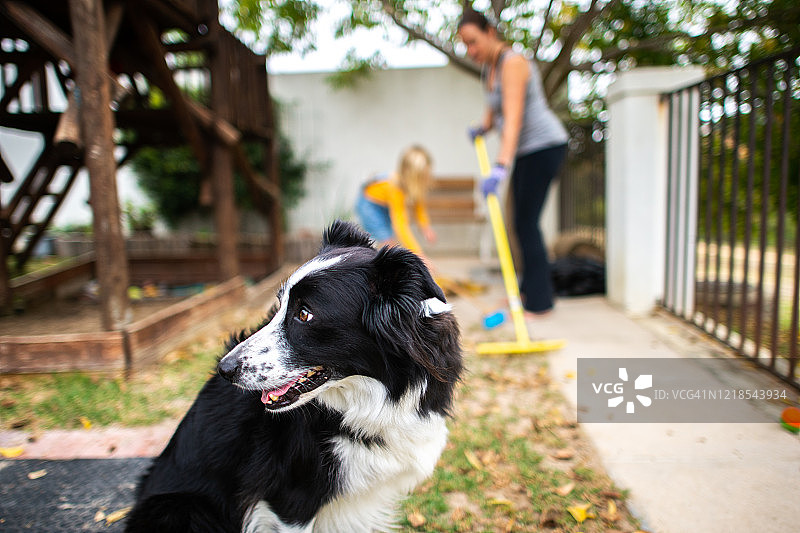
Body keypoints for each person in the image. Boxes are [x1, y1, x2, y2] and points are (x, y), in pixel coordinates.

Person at [458, 8, 569, 315]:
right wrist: (482, 128)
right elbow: (493, 114)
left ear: (490, 32)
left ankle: (540, 303)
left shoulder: (513, 63)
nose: (471, 51)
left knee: (526, 223)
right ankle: (526, 291)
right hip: (525, 151)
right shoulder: (490, 69)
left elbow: (514, 119)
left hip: (544, 146)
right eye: (465, 45)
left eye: (473, 42)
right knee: (519, 223)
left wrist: (500, 167)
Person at [355, 145, 437, 266]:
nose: (426, 180)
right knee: (387, 243)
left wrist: (425, 227)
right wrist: (419, 254)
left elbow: (419, 205)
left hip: (384, 206)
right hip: (370, 206)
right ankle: (372, 268)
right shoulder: (395, 188)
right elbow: (401, 225)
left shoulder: (411, 186)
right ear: (411, 178)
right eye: (422, 178)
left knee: (388, 242)